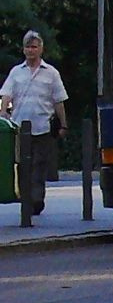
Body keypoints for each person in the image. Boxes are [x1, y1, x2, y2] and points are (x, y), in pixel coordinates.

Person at [1, 30, 70, 216]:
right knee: (23, 165)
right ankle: (26, 199)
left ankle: (36, 199)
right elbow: (6, 95)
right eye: (28, 47)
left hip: (43, 127)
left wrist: (63, 125)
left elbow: (59, 101)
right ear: (23, 50)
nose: (31, 50)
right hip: (19, 128)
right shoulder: (16, 72)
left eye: (34, 46)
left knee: (39, 164)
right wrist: (3, 114)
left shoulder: (51, 73)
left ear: (41, 49)